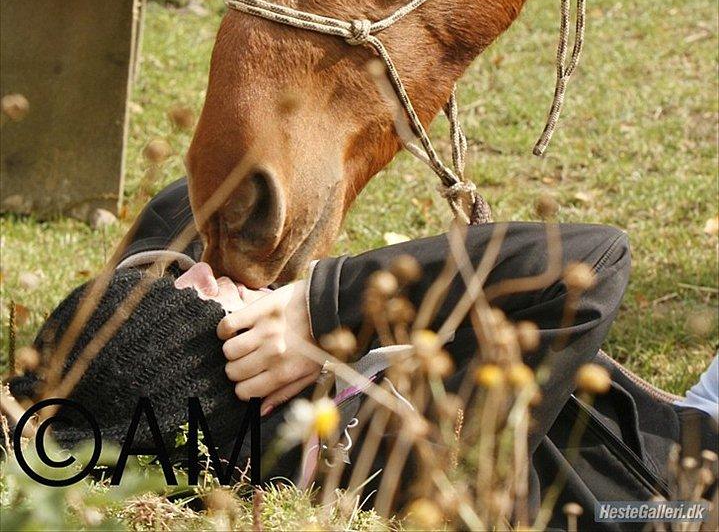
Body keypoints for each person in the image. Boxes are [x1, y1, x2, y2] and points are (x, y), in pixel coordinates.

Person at [9, 179, 717, 529]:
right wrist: (320, 306)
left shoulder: (195, 416)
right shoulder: (400, 469)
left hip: (636, 415)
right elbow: (596, 259)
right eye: (202, 297)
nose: (206, 273)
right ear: (239, 383)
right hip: (680, 484)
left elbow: (211, 194)